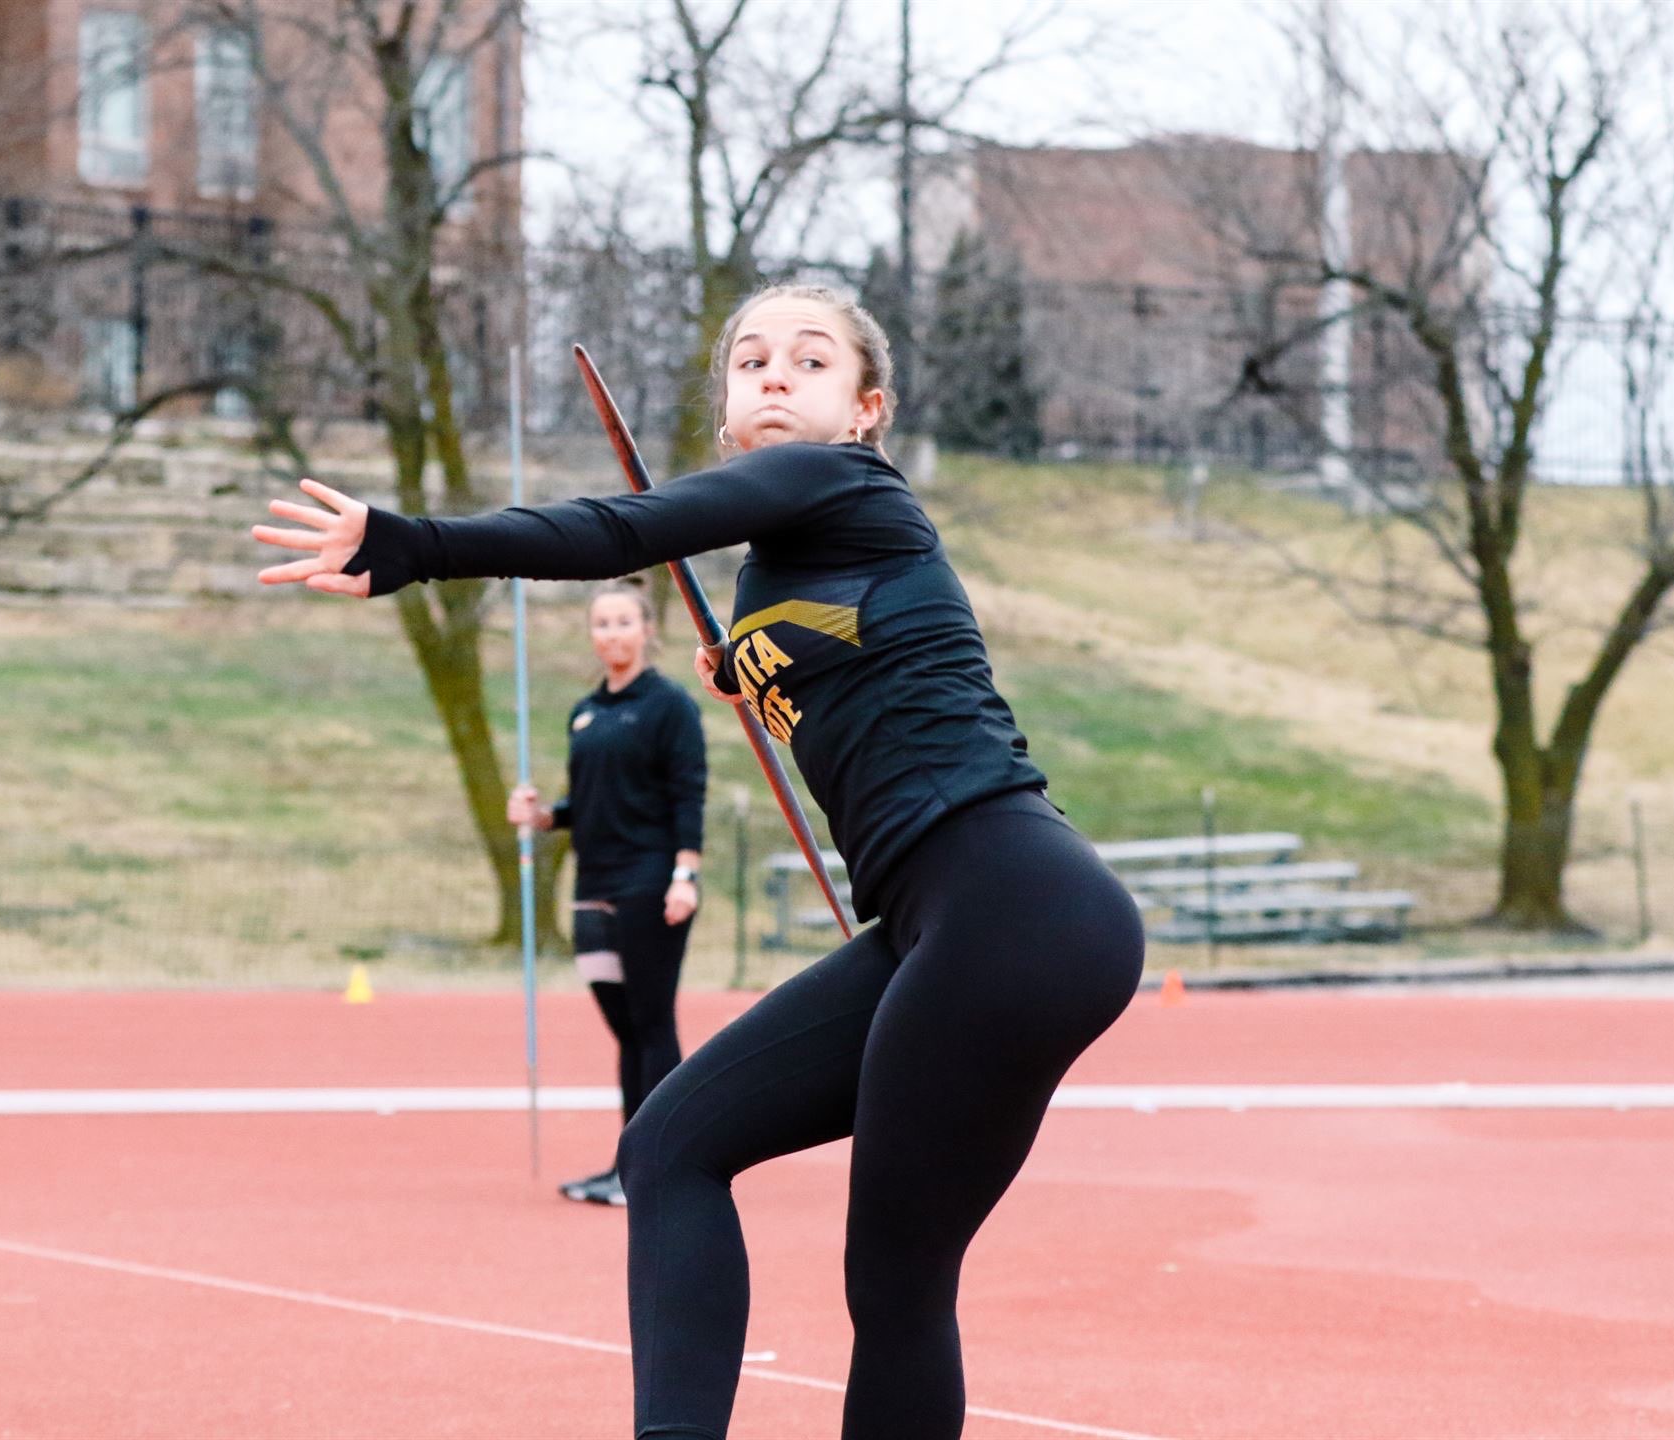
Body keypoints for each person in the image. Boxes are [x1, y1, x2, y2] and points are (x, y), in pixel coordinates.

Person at [252, 284, 1145, 1440]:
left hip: (1011, 904)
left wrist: (415, 544)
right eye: (751, 361)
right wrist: (755, 667)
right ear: (728, 411)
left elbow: (618, 533)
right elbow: (843, 653)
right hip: (954, 919)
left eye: (810, 362)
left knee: (896, 1280)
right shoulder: (775, 568)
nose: (775, 376)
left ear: (864, 410)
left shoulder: (845, 483)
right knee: (674, 1147)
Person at [506, 576, 707, 1208]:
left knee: (652, 1025)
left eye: (624, 622)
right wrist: (544, 816)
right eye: (601, 624)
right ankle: (632, 1164)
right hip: (591, 887)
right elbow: (591, 799)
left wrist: (686, 873)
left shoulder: (670, 705)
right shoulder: (584, 711)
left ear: (648, 629)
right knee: (626, 1032)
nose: (612, 633)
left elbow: (687, 793)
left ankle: (665, 1165)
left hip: (648, 884)